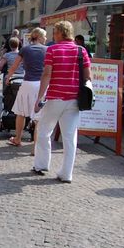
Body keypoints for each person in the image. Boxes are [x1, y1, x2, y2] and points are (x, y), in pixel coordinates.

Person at [32, 21, 91, 183]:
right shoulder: (81, 51)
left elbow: (46, 75)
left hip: (55, 97)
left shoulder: (53, 50)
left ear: (60, 33)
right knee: (70, 137)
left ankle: (42, 164)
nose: (53, 35)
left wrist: (39, 97)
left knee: (44, 131)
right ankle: (66, 174)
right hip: (74, 99)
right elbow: (88, 76)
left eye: (55, 32)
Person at [5, 28, 48, 148]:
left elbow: (14, 66)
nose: (46, 38)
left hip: (28, 83)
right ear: (39, 37)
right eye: (44, 36)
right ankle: (36, 146)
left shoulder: (25, 49)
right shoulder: (48, 50)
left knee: (21, 112)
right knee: (39, 117)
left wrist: (8, 77)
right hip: (42, 84)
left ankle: (18, 138)